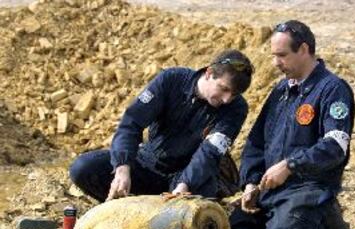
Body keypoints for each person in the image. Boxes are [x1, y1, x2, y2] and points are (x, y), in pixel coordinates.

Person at [222, 20, 355, 229]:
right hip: (270, 191)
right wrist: (251, 182)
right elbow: (256, 142)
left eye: (282, 55)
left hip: (307, 188)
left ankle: (326, 217)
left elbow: (335, 146)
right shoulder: (281, 90)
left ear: (303, 49)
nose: (275, 63)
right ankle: (288, 224)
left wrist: (290, 165)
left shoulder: (332, 89)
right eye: (274, 56)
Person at [69, 49, 254, 202]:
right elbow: (131, 123)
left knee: (199, 205)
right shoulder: (171, 80)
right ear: (209, 73)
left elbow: (210, 152)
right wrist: (122, 167)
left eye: (234, 94)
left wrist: (184, 185)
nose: (226, 99)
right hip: (147, 163)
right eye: (224, 89)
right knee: (83, 168)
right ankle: (126, 208)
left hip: (188, 173)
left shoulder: (236, 109)